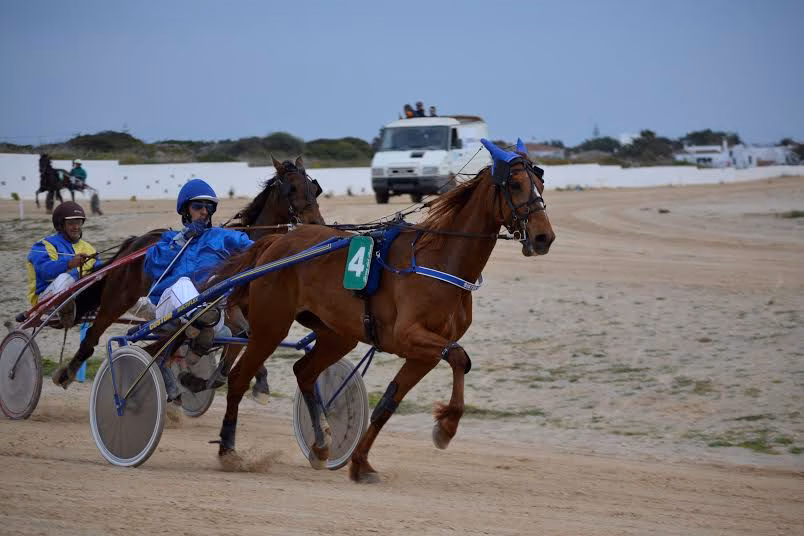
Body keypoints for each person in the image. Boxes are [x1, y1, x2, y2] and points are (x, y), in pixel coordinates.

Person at [144, 178, 254, 401]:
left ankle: (201, 323)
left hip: (213, 314)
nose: (204, 212)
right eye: (198, 207)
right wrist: (182, 237)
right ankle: (199, 319)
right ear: (186, 210)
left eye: (208, 208)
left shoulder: (222, 237)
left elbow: (255, 248)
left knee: (218, 282)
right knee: (183, 283)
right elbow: (151, 264)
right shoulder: (169, 240)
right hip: (169, 310)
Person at [26, 201, 100, 327]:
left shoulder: (89, 248)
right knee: (64, 277)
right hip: (45, 299)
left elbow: (99, 268)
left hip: (77, 297)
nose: (76, 227)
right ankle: (65, 312)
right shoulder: (45, 244)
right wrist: (69, 264)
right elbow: (45, 272)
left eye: (78, 222)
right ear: (61, 225)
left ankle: (140, 311)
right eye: (71, 223)